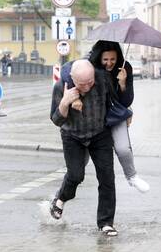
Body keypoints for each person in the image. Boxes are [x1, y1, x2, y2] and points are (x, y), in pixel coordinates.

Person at [62, 41, 150, 193]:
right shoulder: (89, 64)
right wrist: (74, 97)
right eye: (105, 60)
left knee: (123, 149)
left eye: (113, 59)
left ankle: (132, 177)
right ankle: (64, 191)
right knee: (80, 163)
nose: (109, 63)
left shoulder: (125, 67)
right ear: (98, 57)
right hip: (92, 116)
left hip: (114, 114)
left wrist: (123, 84)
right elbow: (65, 71)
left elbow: (126, 101)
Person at [50, 59, 118, 236]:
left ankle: (106, 223)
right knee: (75, 175)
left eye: (90, 82)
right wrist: (65, 103)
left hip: (99, 134)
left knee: (107, 178)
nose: (87, 87)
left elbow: (117, 100)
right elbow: (56, 120)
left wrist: (127, 111)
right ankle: (61, 197)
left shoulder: (102, 80)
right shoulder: (60, 86)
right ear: (72, 78)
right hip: (72, 135)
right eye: (82, 84)